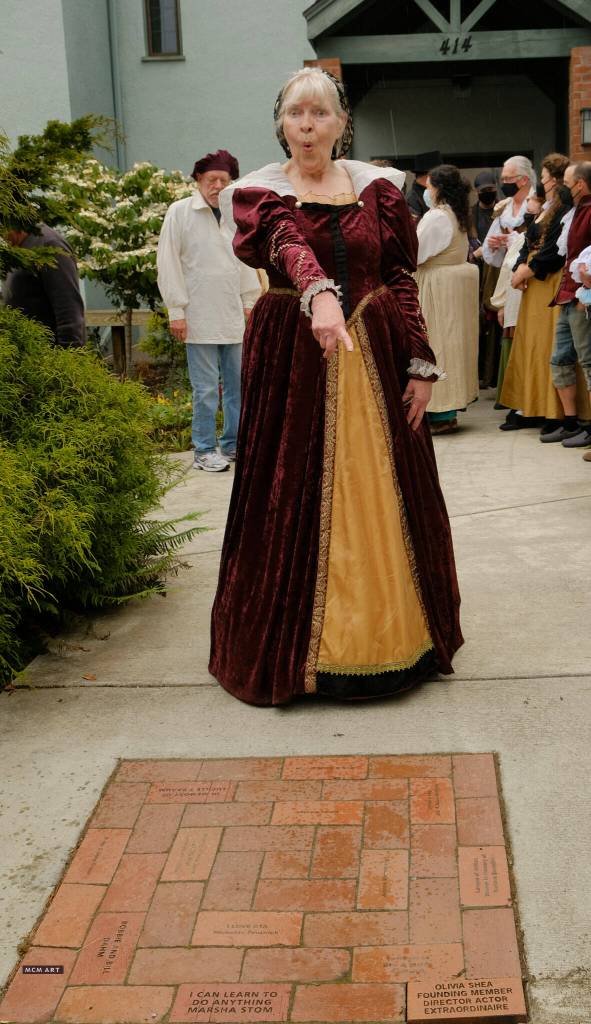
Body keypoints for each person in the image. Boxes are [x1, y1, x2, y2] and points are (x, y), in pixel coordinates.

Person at [209, 68, 462, 706]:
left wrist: (420, 363)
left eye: (320, 115)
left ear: (342, 123)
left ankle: (392, 640)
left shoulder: (379, 190)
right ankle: (299, 654)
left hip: (374, 355)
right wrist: (318, 292)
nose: (307, 127)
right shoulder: (259, 193)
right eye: (296, 115)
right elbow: (286, 242)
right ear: (281, 124)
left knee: (389, 494)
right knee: (287, 493)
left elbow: (401, 275)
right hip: (293, 359)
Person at [157, 149, 261, 472]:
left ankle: (232, 445)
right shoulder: (180, 213)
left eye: (224, 180)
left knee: (237, 387)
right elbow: (168, 262)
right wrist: (176, 310)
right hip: (198, 316)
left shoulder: (236, 215)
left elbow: (245, 261)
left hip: (232, 314)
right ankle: (204, 449)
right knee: (204, 391)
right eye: (211, 179)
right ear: (199, 180)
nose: (217, 185)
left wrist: (250, 301)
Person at [500, 154, 573, 432]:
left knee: (546, 346)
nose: (541, 184)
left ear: (554, 180)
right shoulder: (547, 207)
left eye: (543, 179)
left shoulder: (563, 209)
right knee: (529, 346)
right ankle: (530, 405)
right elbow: (527, 241)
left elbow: (553, 250)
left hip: (547, 280)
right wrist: (519, 266)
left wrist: (528, 270)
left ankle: (552, 411)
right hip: (533, 282)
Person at [415, 164, 479, 435]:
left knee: (437, 344)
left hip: (437, 288)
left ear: (438, 189)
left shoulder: (437, 217)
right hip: (452, 287)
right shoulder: (458, 214)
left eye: (429, 186)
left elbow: (415, 253)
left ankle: (440, 411)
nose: (426, 191)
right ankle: (447, 411)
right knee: (451, 345)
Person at [544, 161, 591, 445]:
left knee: (588, 361)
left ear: (580, 184)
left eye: (569, 182)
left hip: (583, 296)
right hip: (566, 293)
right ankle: (571, 421)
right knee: (560, 358)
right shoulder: (575, 211)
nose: (565, 187)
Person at [2, 223, 85, 346]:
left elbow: (68, 311)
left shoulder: (50, 245)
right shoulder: (18, 249)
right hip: (25, 356)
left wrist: (70, 359)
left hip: (49, 357)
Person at [471, 171, 501, 387]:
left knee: (496, 326)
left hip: (495, 274)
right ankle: (480, 373)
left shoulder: (502, 213)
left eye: (491, 190)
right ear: (477, 192)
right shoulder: (470, 215)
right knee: (479, 326)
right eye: (484, 191)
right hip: (476, 274)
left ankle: (493, 374)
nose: (488, 194)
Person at [406, 151, 443, 222]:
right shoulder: (412, 199)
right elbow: (416, 228)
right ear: (429, 175)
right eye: (439, 174)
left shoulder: (437, 191)